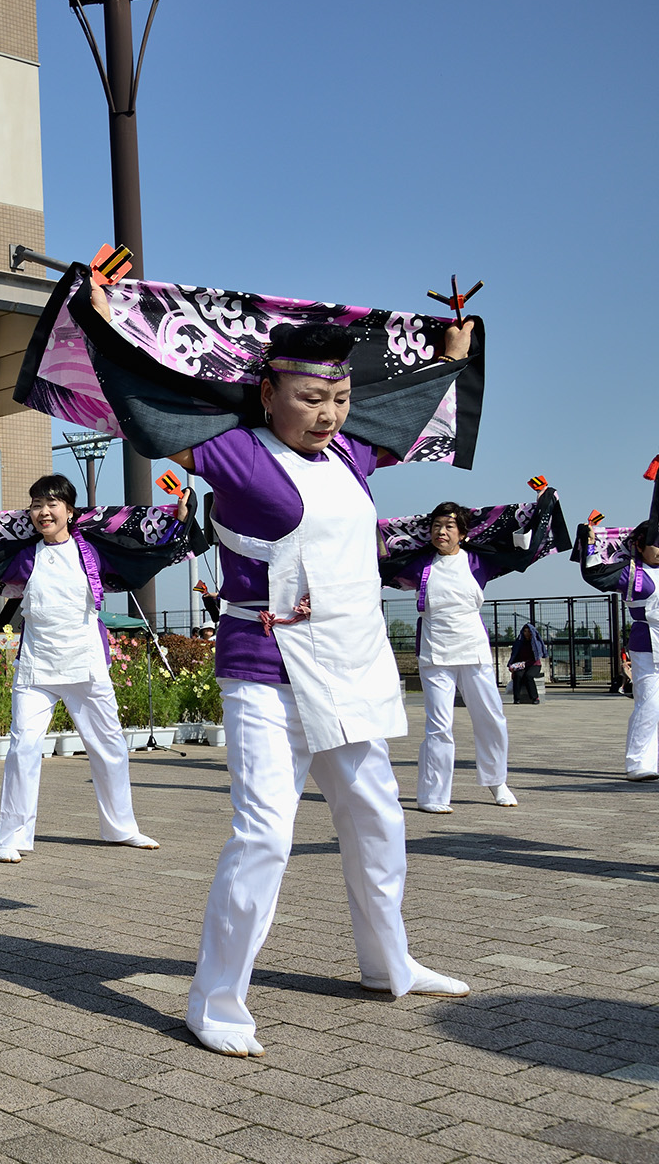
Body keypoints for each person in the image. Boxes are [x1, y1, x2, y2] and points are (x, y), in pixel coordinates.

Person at [121, 297, 474, 1058]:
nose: (329, 415)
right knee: (264, 836)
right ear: (267, 393)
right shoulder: (235, 453)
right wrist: (101, 319)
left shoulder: (351, 455)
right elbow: (147, 406)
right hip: (265, 673)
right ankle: (215, 1000)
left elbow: (406, 413)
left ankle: (390, 965)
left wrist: (451, 359)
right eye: (312, 399)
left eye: (339, 399)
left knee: (379, 821)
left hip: (348, 668)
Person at [0, 474, 175, 863]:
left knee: (110, 748)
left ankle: (121, 828)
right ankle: (13, 837)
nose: (44, 511)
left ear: (69, 511)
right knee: (23, 749)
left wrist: (180, 518)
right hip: (37, 667)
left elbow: (141, 547)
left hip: (87, 663)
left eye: (52, 503)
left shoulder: (92, 550)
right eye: (37, 504)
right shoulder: (24, 556)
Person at [387, 502, 518, 813]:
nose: (441, 532)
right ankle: (433, 794)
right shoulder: (420, 564)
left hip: (473, 648)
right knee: (438, 725)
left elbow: (519, 548)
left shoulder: (478, 561)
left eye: (448, 526)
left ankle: (496, 780)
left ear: (462, 533)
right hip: (435, 652)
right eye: (436, 526)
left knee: (490, 717)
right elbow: (380, 564)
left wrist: (544, 502)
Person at [583, 521, 659, 780]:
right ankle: (638, 762)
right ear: (639, 544)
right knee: (650, 703)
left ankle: (653, 760)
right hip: (648, 646)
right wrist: (590, 542)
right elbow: (595, 572)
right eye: (655, 543)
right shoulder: (634, 573)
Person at [508, 623, 547, 704]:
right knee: (518, 676)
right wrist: (513, 666)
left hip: (534, 665)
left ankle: (535, 698)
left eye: (528, 631)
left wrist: (526, 663)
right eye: (525, 631)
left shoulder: (536, 643)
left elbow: (536, 657)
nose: (526, 633)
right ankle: (517, 698)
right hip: (522, 665)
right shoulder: (519, 642)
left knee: (528, 676)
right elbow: (515, 655)